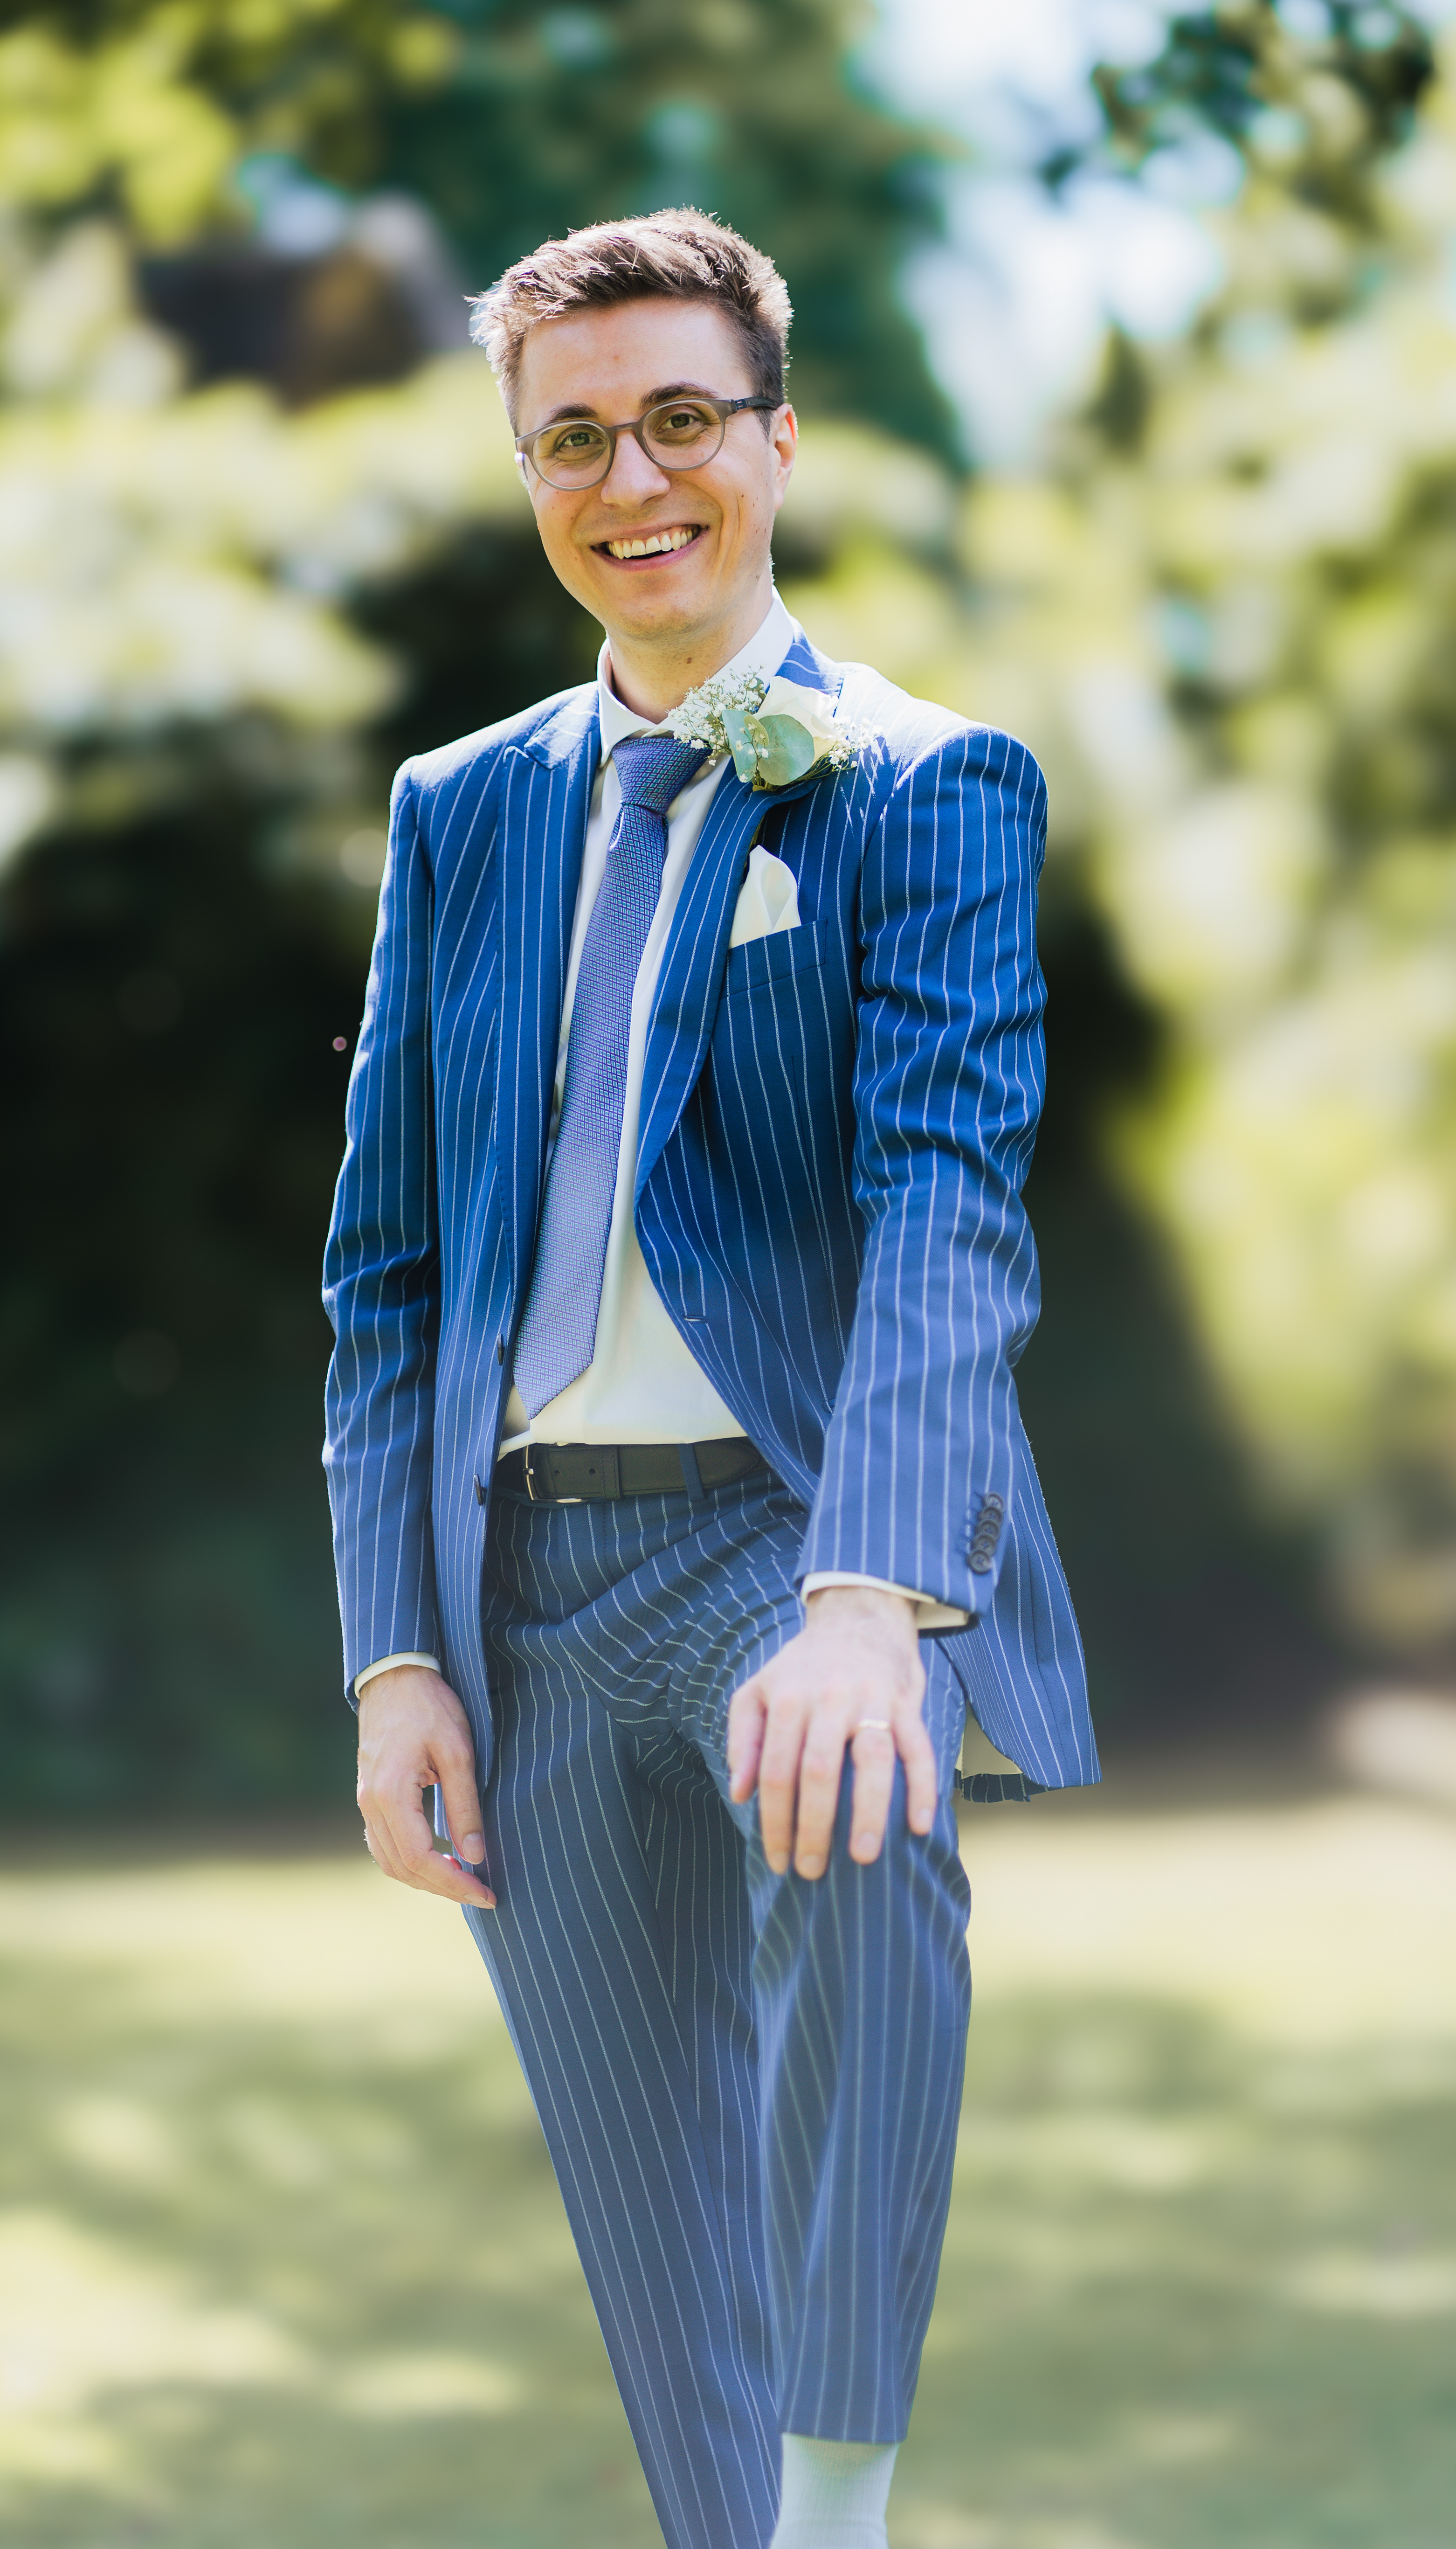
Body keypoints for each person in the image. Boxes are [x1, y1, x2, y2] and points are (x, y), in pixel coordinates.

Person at [323, 208, 1097, 2549]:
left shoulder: (925, 784)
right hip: (521, 1591)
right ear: (527, 474)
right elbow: (388, 1272)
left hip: (788, 1534)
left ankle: (840, 2510)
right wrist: (393, 1654)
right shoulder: (459, 813)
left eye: (679, 420)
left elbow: (950, 1199)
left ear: (777, 437)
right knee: (651, 2208)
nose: (630, 479)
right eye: (572, 439)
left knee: (873, 1844)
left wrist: (876, 1597)